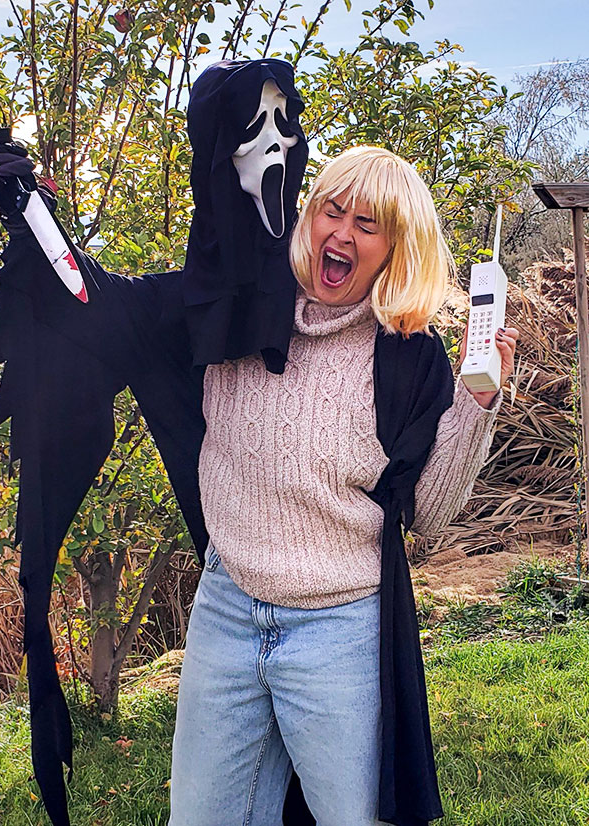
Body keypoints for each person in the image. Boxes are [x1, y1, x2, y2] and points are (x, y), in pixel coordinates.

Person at [167, 145, 518, 825]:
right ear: (309, 215)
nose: (341, 234)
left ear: (393, 248)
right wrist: (31, 208)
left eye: (367, 225)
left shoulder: (409, 355)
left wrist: (478, 407)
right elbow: (116, 303)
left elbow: (432, 514)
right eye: (333, 210)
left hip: (338, 625)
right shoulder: (241, 308)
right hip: (227, 604)